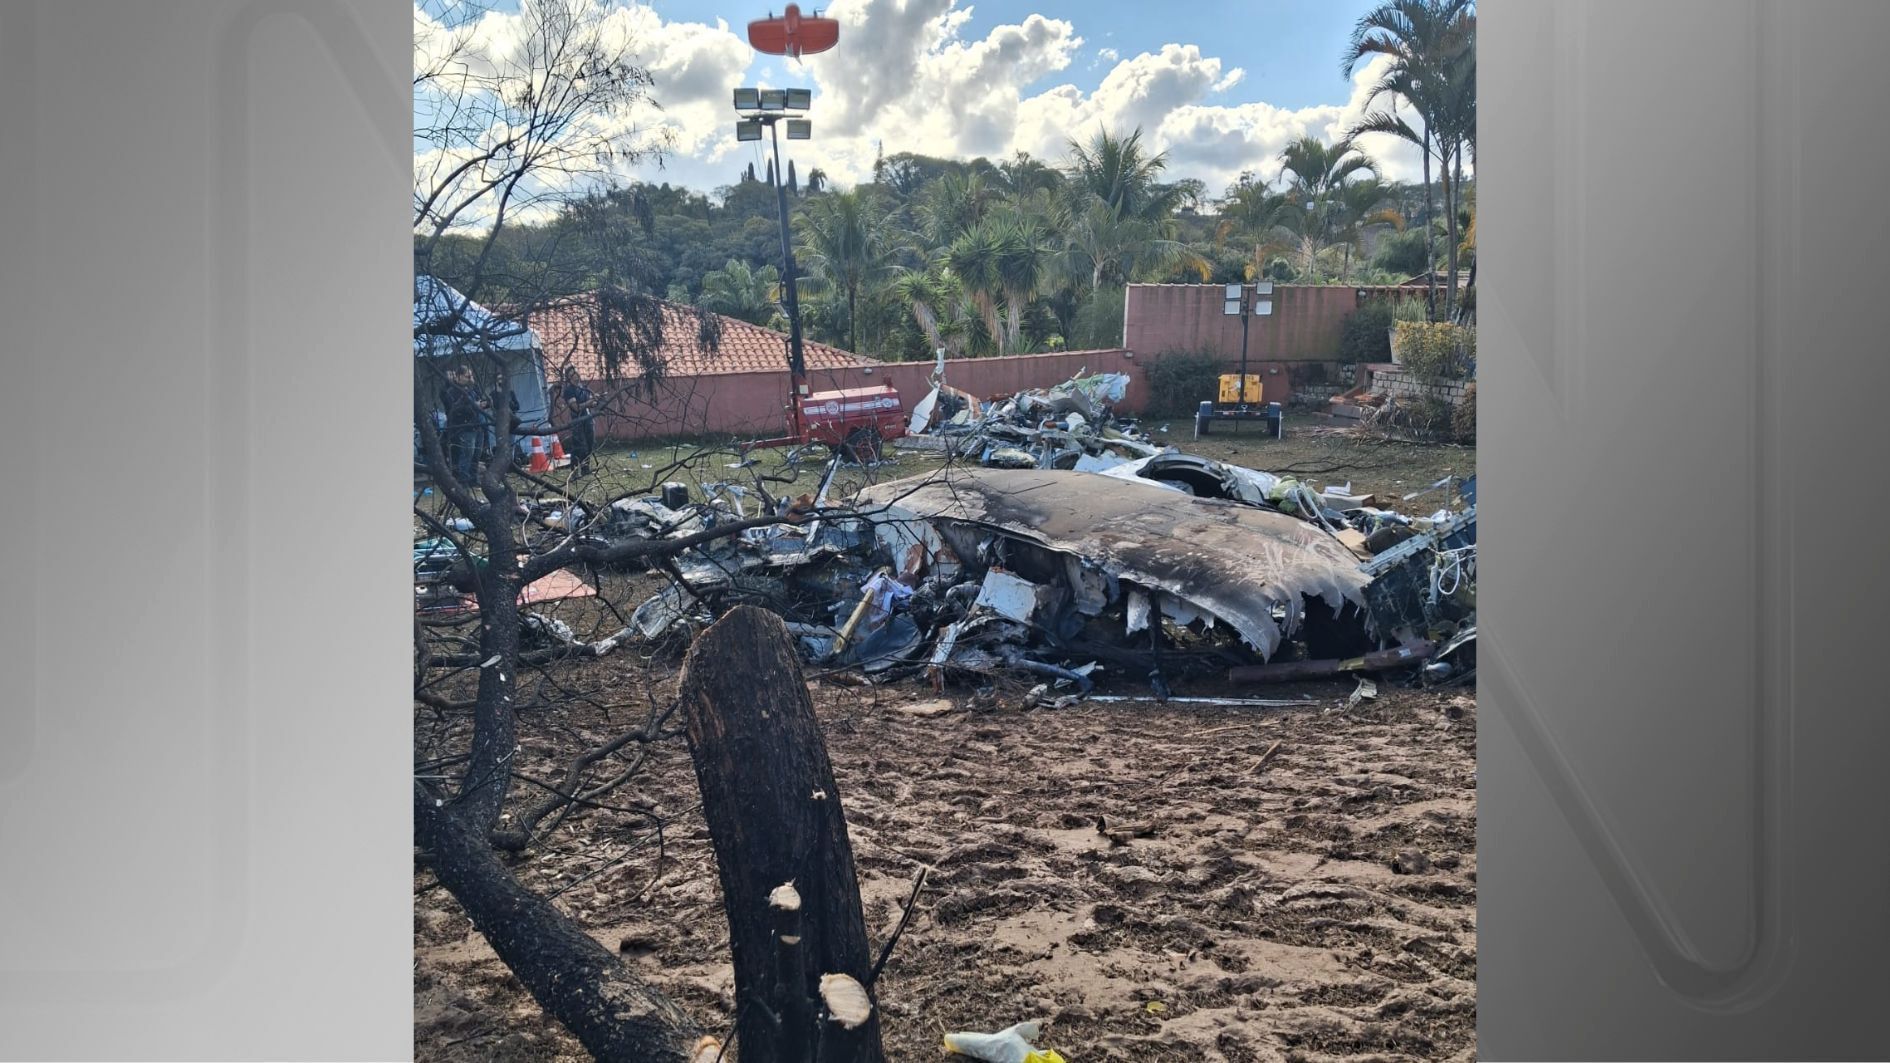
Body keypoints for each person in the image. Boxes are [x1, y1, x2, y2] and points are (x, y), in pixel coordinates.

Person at [441, 364, 488, 485]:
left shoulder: (472, 390)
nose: (470, 378)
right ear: (459, 376)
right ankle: (464, 481)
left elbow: (482, 400)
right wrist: (474, 406)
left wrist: (483, 403)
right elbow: (455, 410)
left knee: (476, 455)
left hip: (477, 425)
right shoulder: (453, 392)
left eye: (471, 376)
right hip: (465, 428)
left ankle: (473, 479)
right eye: (467, 376)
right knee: (467, 455)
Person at [558, 366, 597, 476]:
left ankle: (585, 469)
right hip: (577, 421)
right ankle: (574, 471)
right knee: (579, 446)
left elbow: (591, 403)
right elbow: (576, 408)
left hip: (588, 419)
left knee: (589, 444)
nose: (575, 376)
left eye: (575, 373)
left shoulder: (583, 388)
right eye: (572, 375)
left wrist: (595, 400)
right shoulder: (569, 391)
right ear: (569, 378)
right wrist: (589, 402)